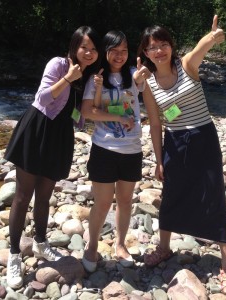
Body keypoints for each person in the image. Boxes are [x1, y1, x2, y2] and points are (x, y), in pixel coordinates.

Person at [137, 16, 226, 296]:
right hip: (175, 142)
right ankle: (165, 247)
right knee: (172, 194)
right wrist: (158, 159)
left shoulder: (186, 66)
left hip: (204, 138)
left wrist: (212, 36)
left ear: (171, 46)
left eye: (163, 44)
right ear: (145, 53)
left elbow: (201, 47)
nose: (159, 51)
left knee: (213, 194)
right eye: (152, 47)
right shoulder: (149, 84)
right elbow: (156, 124)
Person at [4, 26, 100, 289]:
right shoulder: (59, 64)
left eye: (93, 49)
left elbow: (78, 118)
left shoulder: (88, 76)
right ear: (74, 46)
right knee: (23, 196)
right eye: (84, 47)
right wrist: (68, 78)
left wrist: (93, 99)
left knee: (45, 196)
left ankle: (41, 243)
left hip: (59, 136)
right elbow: (43, 98)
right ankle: (14, 254)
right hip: (37, 129)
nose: (89, 53)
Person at [81, 30, 150, 272]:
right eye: (115, 51)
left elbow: (143, 82)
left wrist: (143, 75)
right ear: (106, 52)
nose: (120, 55)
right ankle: (91, 246)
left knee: (125, 200)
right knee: (101, 203)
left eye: (124, 51)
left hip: (132, 149)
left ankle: (120, 244)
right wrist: (119, 117)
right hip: (104, 148)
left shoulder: (133, 74)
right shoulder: (96, 78)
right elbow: (88, 112)